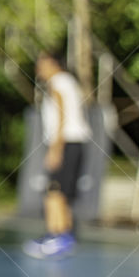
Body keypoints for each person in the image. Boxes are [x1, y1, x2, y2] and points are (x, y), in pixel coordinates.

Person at [23, 53, 92, 259]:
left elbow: (62, 115)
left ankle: (59, 236)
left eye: (42, 65)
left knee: (56, 191)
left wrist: (56, 148)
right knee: (58, 190)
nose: (39, 70)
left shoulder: (59, 82)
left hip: (67, 142)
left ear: (54, 64)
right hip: (69, 142)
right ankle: (59, 235)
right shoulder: (67, 81)